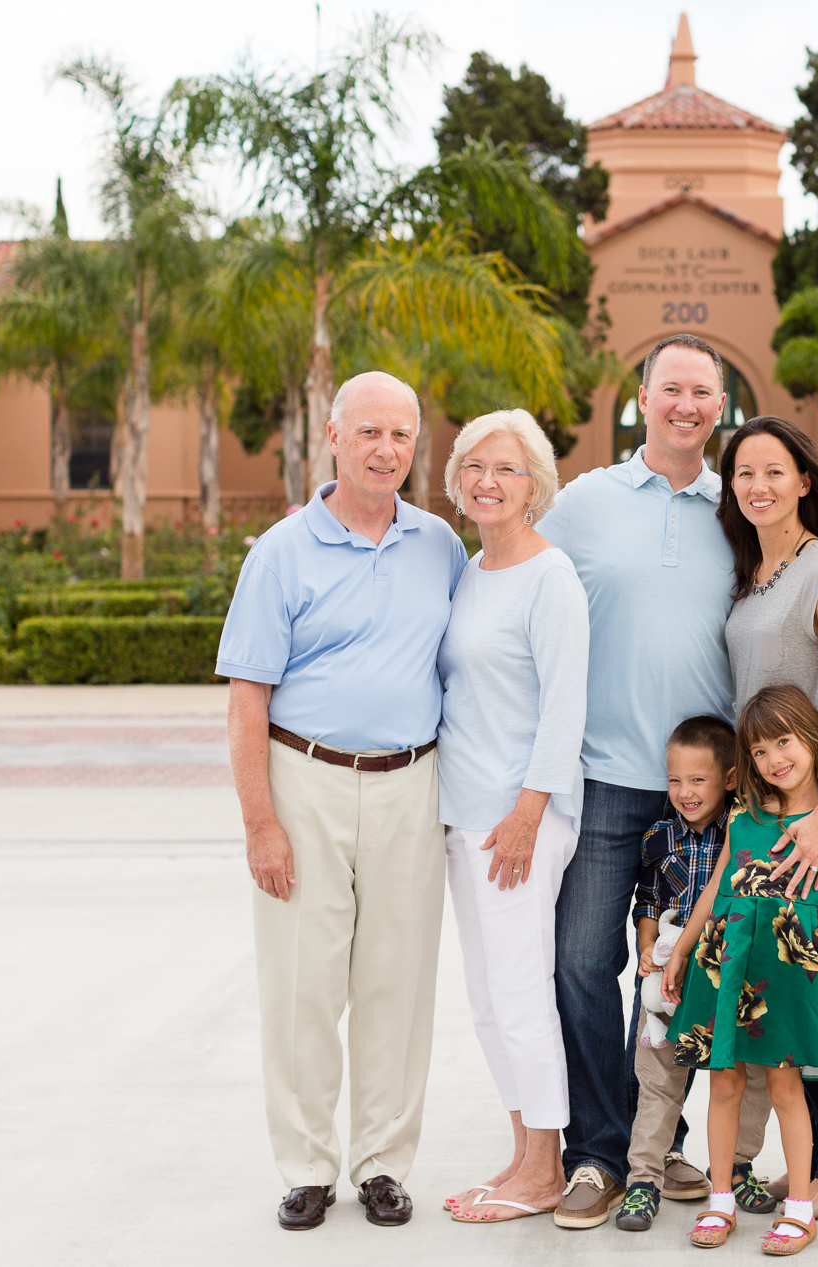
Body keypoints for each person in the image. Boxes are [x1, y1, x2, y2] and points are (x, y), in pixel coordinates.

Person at [216, 371, 466, 1231]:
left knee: (398, 979)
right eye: (369, 433)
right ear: (332, 435)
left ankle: (384, 1163)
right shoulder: (279, 552)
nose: (386, 450)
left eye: (401, 435)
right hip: (305, 780)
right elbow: (246, 702)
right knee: (301, 983)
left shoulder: (442, 544)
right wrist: (261, 825)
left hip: (411, 781)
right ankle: (308, 1167)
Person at [539, 333, 772, 1228]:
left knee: (684, 970)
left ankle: (665, 1147)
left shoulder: (739, 509)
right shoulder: (584, 502)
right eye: (670, 388)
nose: (686, 404)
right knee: (583, 964)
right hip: (601, 777)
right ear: (643, 396)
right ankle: (597, 1153)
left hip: (708, 794)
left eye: (703, 391)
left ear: (723, 404)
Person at [717, 415, 818, 1214]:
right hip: (764, 805)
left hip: (810, 810)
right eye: (745, 473)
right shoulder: (755, 572)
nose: (759, 486)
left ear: (805, 481)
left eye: (775, 471)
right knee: (777, 981)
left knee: (805, 986)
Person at [433, 410, 590, 1224]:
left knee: (523, 990)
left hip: (518, 819)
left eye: (508, 468)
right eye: (474, 466)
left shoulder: (549, 575)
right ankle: (523, 1150)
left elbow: (566, 704)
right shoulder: (468, 568)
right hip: (463, 813)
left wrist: (531, 810)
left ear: (537, 485)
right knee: (489, 997)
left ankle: (546, 1167)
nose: (487, 480)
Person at [662, 685, 818, 1256]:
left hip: (787, 971)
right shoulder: (742, 818)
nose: (774, 759)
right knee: (723, 1082)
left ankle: (799, 1207)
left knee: (785, 1085)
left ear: (812, 737)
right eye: (758, 751)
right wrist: (681, 949)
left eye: (784, 741)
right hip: (726, 963)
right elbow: (716, 886)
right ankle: (720, 1198)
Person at [616, 714, 772, 1232]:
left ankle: (739, 1166)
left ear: (729, 778)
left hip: (735, 967)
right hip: (670, 972)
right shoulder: (659, 836)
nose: (684, 792)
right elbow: (649, 900)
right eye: (674, 780)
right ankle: (644, 1179)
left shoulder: (746, 827)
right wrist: (646, 950)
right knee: (657, 1077)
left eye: (697, 780)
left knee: (748, 1076)